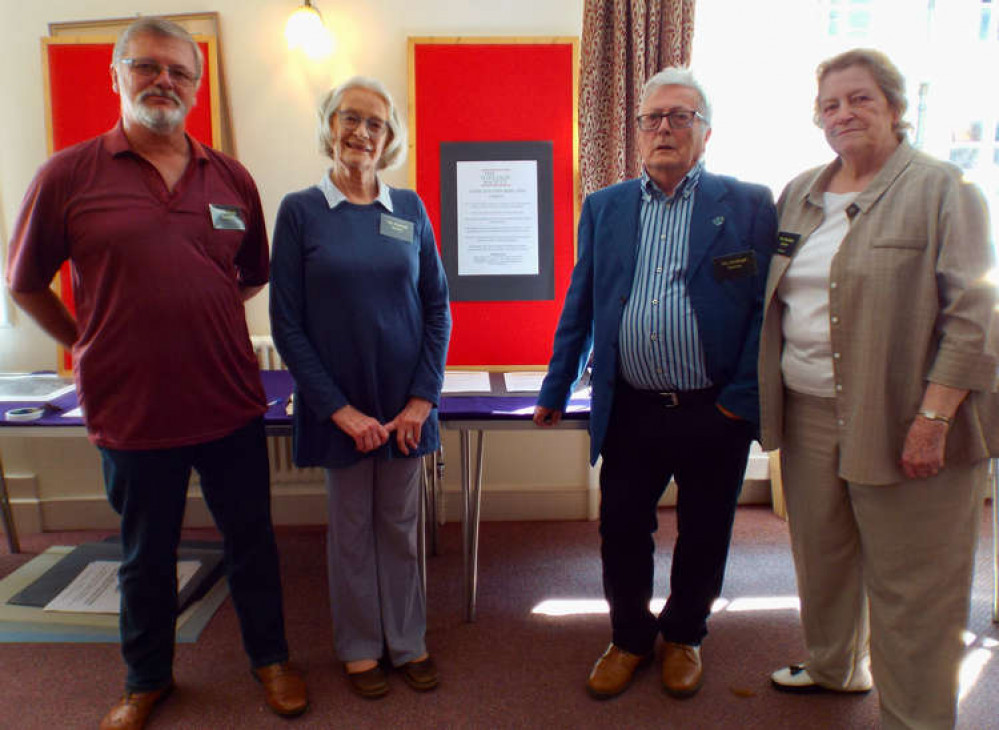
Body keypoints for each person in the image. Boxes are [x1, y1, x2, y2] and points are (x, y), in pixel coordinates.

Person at [5, 17, 308, 730]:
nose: (162, 81)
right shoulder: (67, 174)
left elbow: (248, 274)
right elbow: (25, 284)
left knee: (253, 542)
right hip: (132, 409)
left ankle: (271, 660)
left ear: (196, 88)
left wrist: (190, 314)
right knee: (145, 555)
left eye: (178, 71)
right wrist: (88, 342)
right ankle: (146, 680)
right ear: (116, 76)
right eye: (146, 67)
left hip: (228, 400)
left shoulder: (229, 177)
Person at [759, 49, 997, 730]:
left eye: (860, 99)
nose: (844, 114)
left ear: (894, 107)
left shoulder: (944, 190)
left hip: (907, 417)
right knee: (823, 556)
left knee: (913, 585)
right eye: (831, 104)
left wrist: (933, 418)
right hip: (806, 412)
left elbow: (972, 318)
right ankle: (835, 666)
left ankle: (916, 719)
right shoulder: (800, 192)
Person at [535, 67, 775, 700]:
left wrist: (738, 405)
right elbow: (580, 300)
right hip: (633, 408)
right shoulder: (605, 206)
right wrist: (555, 386)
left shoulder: (748, 204)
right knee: (620, 527)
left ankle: (687, 633)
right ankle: (631, 636)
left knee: (704, 529)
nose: (664, 128)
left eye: (680, 117)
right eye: (652, 118)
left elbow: (763, 314)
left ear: (706, 132)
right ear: (637, 131)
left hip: (711, 409)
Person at [269, 76, 451, 700]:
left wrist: (421, 401)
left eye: (376, 123)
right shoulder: (300, 210)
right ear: (329, 124)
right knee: (350, 531)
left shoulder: (411, 210)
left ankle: (407, 640)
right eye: (351, 118)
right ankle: (358, 647)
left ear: (390, 137)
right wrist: (340, 411)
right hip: (337, 408)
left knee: (400, 527)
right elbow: (286, 325)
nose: (362, 132)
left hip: (405, 410)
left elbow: (437, 308)